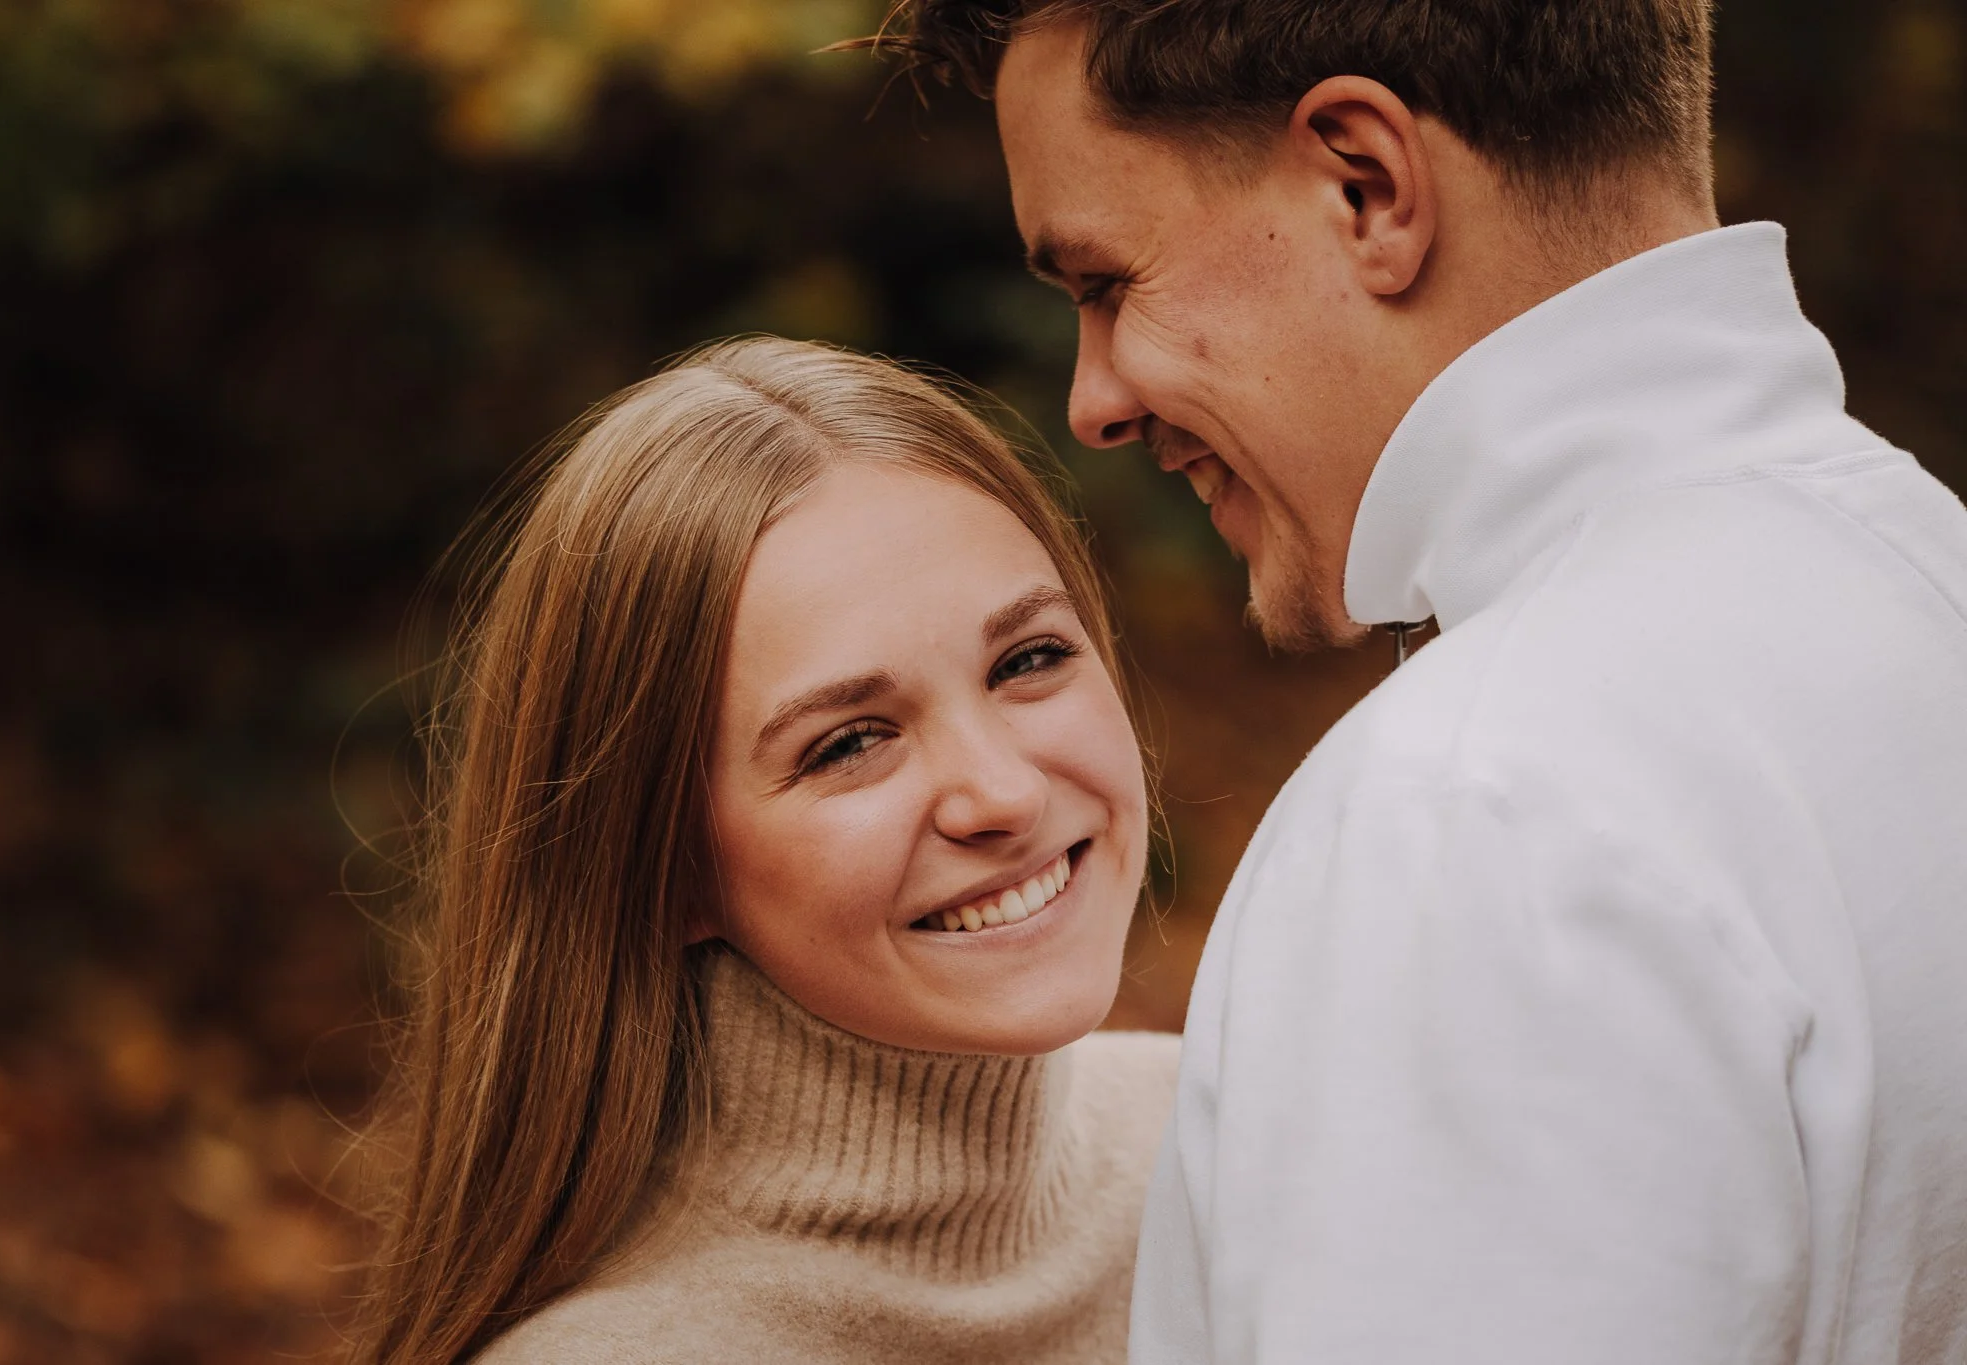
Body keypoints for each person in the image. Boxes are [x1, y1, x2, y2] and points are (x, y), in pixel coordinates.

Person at [861, 2, 1967, 1361]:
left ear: (1365, 186)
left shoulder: (1473, 812)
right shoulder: (1920, 568)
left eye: (1105, 283)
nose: (1096, 399)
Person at [343, 337, 1178, 1365]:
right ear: (665, 871)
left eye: (1028, 658)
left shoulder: (1252, 1130)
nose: (1001, 792)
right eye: (848, 743)